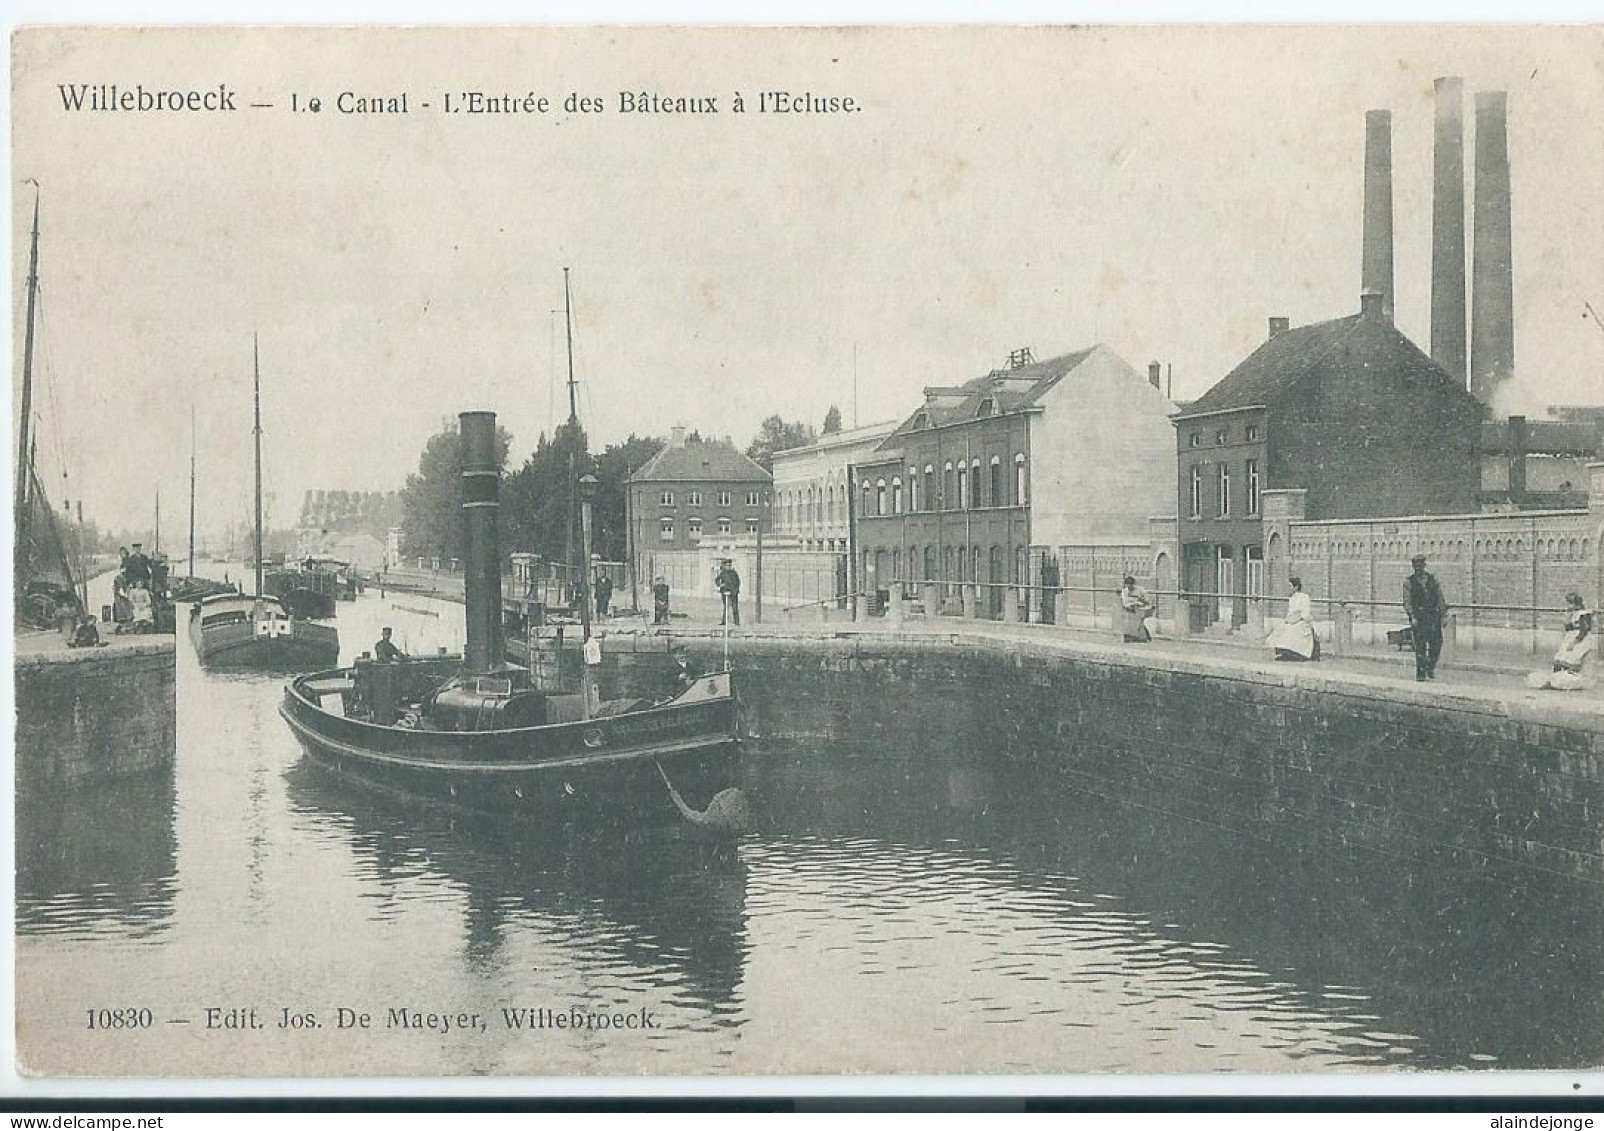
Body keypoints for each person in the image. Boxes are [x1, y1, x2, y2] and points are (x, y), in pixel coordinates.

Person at [1527, 593, 1595, 691]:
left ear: (1576, 604)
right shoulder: (1572, 613)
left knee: (1572, 656)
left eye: (1570, 604)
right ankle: (1556, 679)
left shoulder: (1584, 614)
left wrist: (1574, 642)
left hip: (1580, 639)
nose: (1568, 606)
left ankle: (1568, 681)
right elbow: (1568, 628)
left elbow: (1584, 630)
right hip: (1570, 637)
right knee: (1560, 655)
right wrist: (1567, 619)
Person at [1403, 554, 1448, 681]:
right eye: (1416, 566)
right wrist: (1412, 616)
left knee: (1437, 644)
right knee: (1420, 646)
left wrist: (1444, 615)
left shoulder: (1432, 580)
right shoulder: (1408, 582)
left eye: (1420, 566)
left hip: (1434, 616)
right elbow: (1407, 601)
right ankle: (1421, 673)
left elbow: (1440, 598)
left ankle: (1430, 666)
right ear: (1413, 567)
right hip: (1419, 617)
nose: (1418, 568)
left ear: (1424, 566)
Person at [1266, 576, 1318, 661]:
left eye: (1290, 586)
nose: (1288, 588)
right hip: (1292, 620)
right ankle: (1284, 652)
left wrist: (1294, 620)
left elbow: (1305, 614)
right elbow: (1290, 613)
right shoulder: (1292, 598)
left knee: (1292, 630)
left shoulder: (1304, 597)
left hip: (1302, 622)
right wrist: (1288, 620)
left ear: (1296, 587)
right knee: (1280, 629)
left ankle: (1298, 654)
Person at [1118, 575, 1156, 643]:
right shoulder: (1125, 591)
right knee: (1130, 622)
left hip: (1140, 608)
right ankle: (1130, 637)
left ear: (1133, 584)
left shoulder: (1140, 590)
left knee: (1138, 622)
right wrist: (1131, 604)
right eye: (1127, 585)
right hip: (1130, 609)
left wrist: (1141, 601)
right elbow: (1125, 602)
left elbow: (1147, 599)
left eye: (1131, 585)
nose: (1129, 587)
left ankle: (1143, 637)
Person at [716, 561, 742, 626]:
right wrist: (720, 585)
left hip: (733, 592)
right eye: (727, 565)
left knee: (735, 607)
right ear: (725, 566)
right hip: (725, 592)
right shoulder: (722, 573)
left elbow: (738, 582)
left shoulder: (734, 573)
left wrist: (736, 590)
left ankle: (736, 622)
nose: (728, 567)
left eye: (729, 565)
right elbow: (717, 580)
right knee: (726, 607)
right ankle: (724, 621)